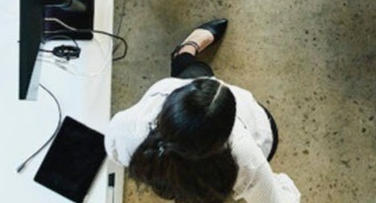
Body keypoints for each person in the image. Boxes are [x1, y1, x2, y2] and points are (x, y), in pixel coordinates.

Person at [106, 19, 299, 203]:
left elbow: (113, 147)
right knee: (199, 72)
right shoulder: (246, 155)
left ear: (168, 109)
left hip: (174, 179)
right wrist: (279, 183)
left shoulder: (141, 115)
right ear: (227, 134)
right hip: (219, 179)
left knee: (190, 71)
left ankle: (185, 51)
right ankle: (185, 52)